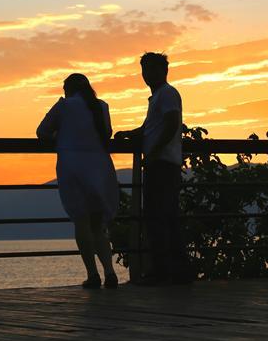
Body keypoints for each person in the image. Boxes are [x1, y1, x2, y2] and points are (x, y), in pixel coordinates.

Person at [115, 52, 192, 285]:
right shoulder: (160, 96)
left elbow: (170, 123)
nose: (146, 75)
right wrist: (130, 134)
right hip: (164, 162)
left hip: (162, 163)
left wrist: (155, 151)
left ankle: (163, 272)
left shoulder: (167, 94)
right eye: (144, 70)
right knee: (166, 216)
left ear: (163, 71)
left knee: (157, 217)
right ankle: (177, 271)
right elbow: (152, 127)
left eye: (151, 69)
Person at [36, 73, 119, 289]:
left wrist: (60, 136)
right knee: (98, 223)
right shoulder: (101, 106)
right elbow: (107, 133)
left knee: (81, 221)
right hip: (100, 167)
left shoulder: (64, 107)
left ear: (67, 89)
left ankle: (93, 275)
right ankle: (110, 272)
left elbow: (42, 131)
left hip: (73, 167)